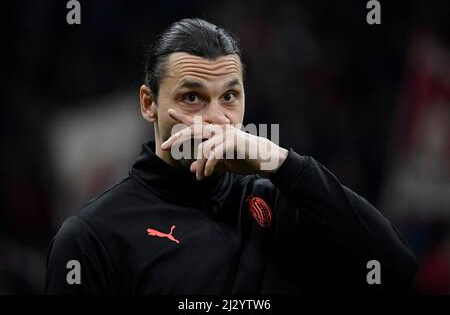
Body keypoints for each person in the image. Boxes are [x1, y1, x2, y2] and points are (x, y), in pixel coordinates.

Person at [45, 18, 416, 294]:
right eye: (192, 97)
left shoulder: (279, 204)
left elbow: (397, 268)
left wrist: (285, 163)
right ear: (149, 104)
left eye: (229, 97)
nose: (215, 118)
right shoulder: (92, 236)